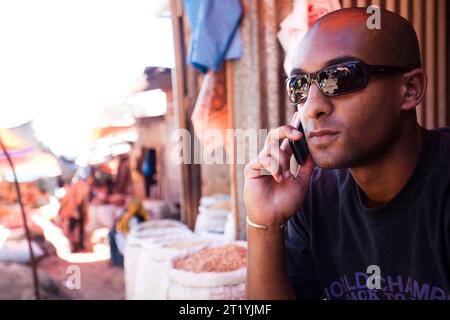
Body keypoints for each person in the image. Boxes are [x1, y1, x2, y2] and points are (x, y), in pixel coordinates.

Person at [244, 8, 450, 300]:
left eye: (340, 78)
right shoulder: (313, 194)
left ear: (409, 89)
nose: (312, 106)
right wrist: (265, 224)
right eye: (299, 86)